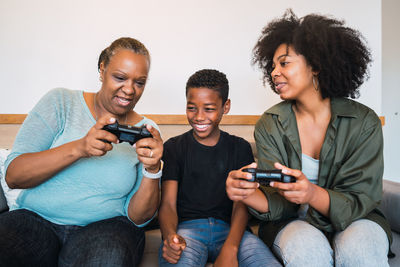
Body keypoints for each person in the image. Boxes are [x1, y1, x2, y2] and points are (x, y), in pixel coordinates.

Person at [225, 10, 393, 267]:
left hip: (357, 218)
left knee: (359, 250)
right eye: (271, 66)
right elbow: (278, 202)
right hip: (293, 222)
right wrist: (245, 194)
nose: (274, 73)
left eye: (284, 63)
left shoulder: (364, 123)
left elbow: (361, 198)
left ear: (315, 64)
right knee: (307, 251)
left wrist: (311, 193)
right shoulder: (271, 124)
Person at [0, 37, 163, 266]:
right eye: (120, 77)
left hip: (107, 228)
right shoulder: (60, 102)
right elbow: (14, 176)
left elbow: (139, 217)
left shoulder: (148, 131)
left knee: (108, 258)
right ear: (102, 69)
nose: (129, 90)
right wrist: (80, 148)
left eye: (140, 82)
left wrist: (153, 169)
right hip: (35, 220)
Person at [158, 69, 281, 267]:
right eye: (191, 108)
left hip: (233, 231)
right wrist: (171, 237)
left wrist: (231, 248)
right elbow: (168, 205)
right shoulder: (174, 147)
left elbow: (241, 204)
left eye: (208, 108)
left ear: (226, 106)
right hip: (187, 231)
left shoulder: (240, 148)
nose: (199, 117)